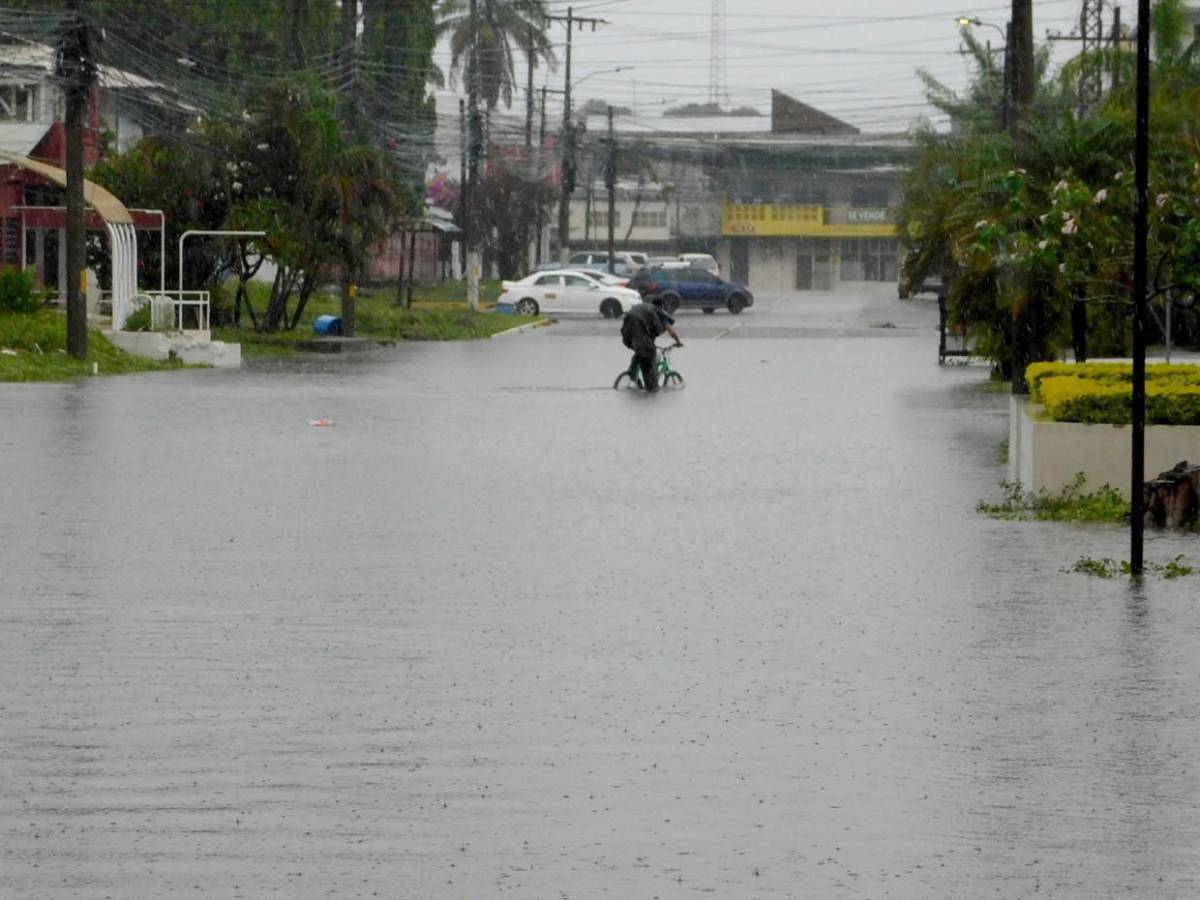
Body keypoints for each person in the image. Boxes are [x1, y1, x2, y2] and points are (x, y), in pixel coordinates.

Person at [620, 296, 682, 392]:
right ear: (662, 306)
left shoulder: (644, 307)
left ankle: (632, 372)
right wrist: (678, 342)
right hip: (638, 332)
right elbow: (672, 332)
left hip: (628, 334)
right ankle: (651, 389)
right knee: (649, 356)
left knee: (641, 351)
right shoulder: (658, 312)